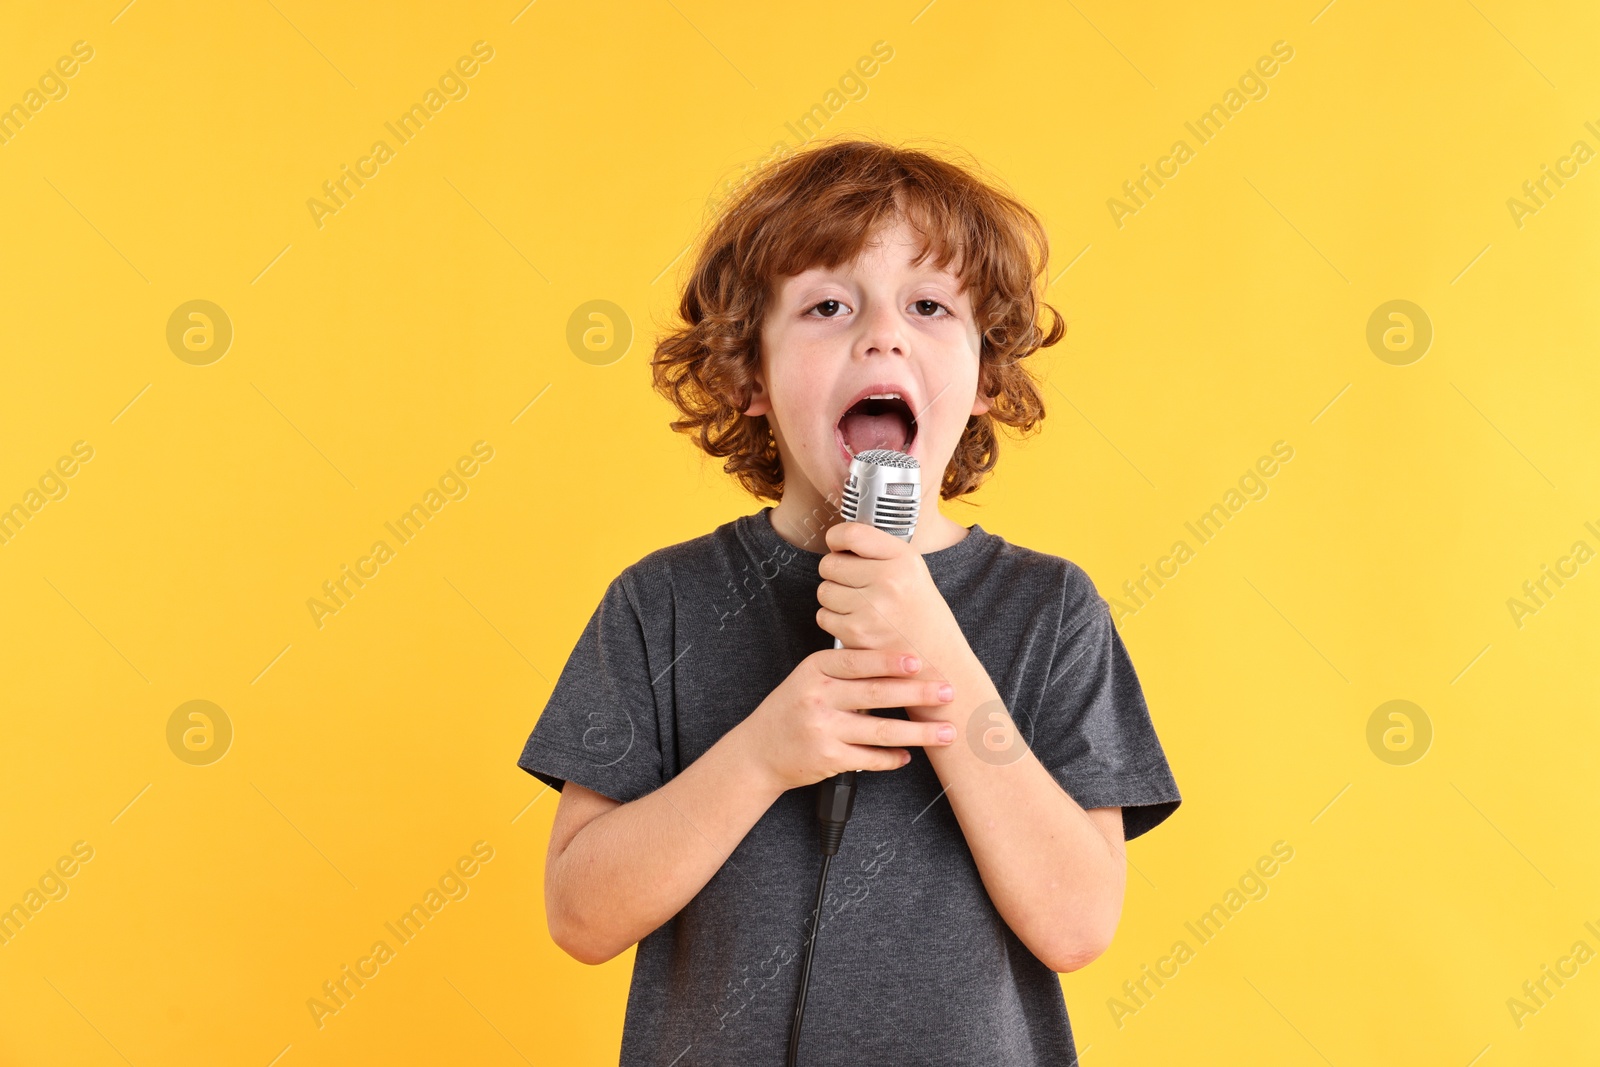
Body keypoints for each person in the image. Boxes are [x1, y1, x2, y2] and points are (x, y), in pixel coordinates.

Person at [517, 135, 1182, 1065]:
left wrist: (939, 657)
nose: (884, 335)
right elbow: (581, 914)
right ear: (747, 374)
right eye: (828, 305)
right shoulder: (659, 603)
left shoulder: (1052, 610)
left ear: (987, 378)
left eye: (929, 305)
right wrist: (762, 753)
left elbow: (1076, 922)